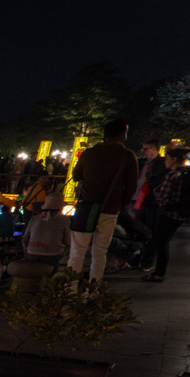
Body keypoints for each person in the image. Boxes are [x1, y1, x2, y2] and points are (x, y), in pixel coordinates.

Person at [65, 119, 138, 282]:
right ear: (122, 135)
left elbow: (76, 176)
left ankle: (70, 288)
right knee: (100, 252)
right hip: (110, 209)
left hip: (87, 207)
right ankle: (94, 288)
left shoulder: (89, 154)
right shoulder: (127, 156)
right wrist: (120, 205)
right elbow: (131, 186)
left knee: (77, 251)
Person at [146, 146, 190, 282]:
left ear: (173, 159)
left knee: (161, 242)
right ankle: (159, 272)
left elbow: (162, 195)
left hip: (168, 213)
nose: (165, 162)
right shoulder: (189, 173)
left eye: (166, 158)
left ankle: (159, 273)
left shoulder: (173, 175)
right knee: (164, 241)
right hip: (180, 213)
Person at [23, 193, 72, 263]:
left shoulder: (34, 218)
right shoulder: (64, 220)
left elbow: (25, 239)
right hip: (52, 255)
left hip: (31, 254)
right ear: (61, 207)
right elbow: (68, 241)